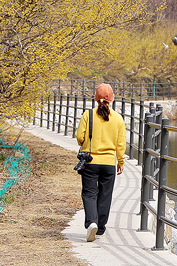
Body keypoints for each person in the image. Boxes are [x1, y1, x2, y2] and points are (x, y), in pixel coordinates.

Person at [75, 83, 126, 242]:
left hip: (90, 162)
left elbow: (79, 137)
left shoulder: (88, 115)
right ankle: (101, 227)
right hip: (109, 163)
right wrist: (121, 161)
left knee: (89, 194)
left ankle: (92, 222)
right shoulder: (118, 118)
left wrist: (87, 142)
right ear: (111, 99)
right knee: (105, 195)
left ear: (96, 98)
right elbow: (120, 144)